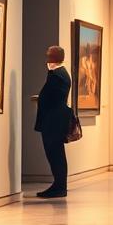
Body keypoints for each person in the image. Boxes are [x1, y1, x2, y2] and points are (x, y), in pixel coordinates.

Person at [34, 45, 71, 198]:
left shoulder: (56, 74)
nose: (46, 58)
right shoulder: (61, 73)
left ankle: (59, 186)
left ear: (54, 58)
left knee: (54, 153)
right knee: (57, 153)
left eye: (48, 55)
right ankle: (59, 185)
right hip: (57, 118)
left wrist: (40, 98)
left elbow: (49, 96)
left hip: (53, 120)